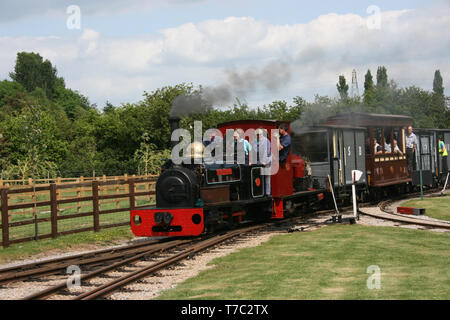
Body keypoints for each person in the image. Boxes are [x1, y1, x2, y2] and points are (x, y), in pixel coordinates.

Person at [251, 128, 271, 195]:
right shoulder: (254, 141)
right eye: (257, 135)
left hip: (266, 161)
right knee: (258, 177)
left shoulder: (266, 141)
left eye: (259, 134)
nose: (258, 136)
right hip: (258, 161)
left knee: (266, 178)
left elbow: (268, 152)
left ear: (262, 134)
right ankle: (259, 192)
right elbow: (253, 151)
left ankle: (267, 193)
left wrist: (265, 161)